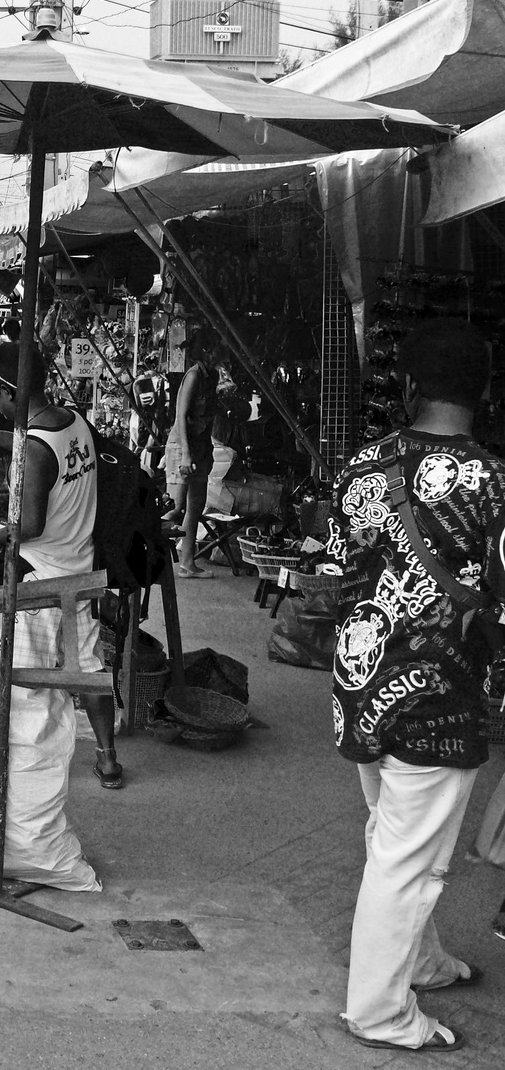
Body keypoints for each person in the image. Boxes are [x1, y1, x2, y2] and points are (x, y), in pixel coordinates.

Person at [327, 320, 505, 1054]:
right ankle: (379, 1012)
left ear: (408, 386)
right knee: (410, 858)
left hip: (362, 681)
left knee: (391, 835)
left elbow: (339, 563)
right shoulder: (495, 480)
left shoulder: (363, 464)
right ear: (487, 392)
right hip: (440, 694)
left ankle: (423, 962)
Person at [0, 342, 124, 788]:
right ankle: (108, 757)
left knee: (25, 679)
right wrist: (2, 439)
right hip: (81, 569)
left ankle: (26, 765)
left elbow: (30, 526)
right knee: (89, 669)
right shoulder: (74, 421)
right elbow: (48, 449)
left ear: (7, 393)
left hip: (42, 580)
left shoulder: (34, 451)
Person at [167, 337, 218, 578]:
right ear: (207, 352)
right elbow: (181, 417)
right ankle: (150, 558)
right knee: (174, 508)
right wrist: (186, 455)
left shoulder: (214, 377)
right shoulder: (193, 376)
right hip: (182, 446)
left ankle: (187, 563)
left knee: (195, 507)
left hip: (200, 446)